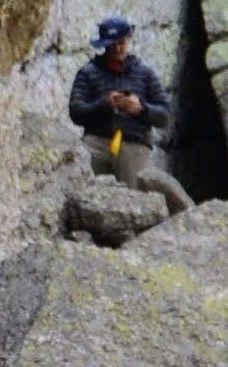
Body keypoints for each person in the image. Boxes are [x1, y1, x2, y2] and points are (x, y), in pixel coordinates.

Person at [68, 15, 194, 216]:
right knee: (87, 192)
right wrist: (104, 104)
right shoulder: (88, 73)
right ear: (105, 46)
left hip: (134, 144)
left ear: (129, 41)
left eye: (122, 43)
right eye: (113, 44)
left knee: (133, 200)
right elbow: (76, 112)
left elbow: (165, 117)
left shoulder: (145, 74)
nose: (118, 48)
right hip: (97, 141)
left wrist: (141, 109)